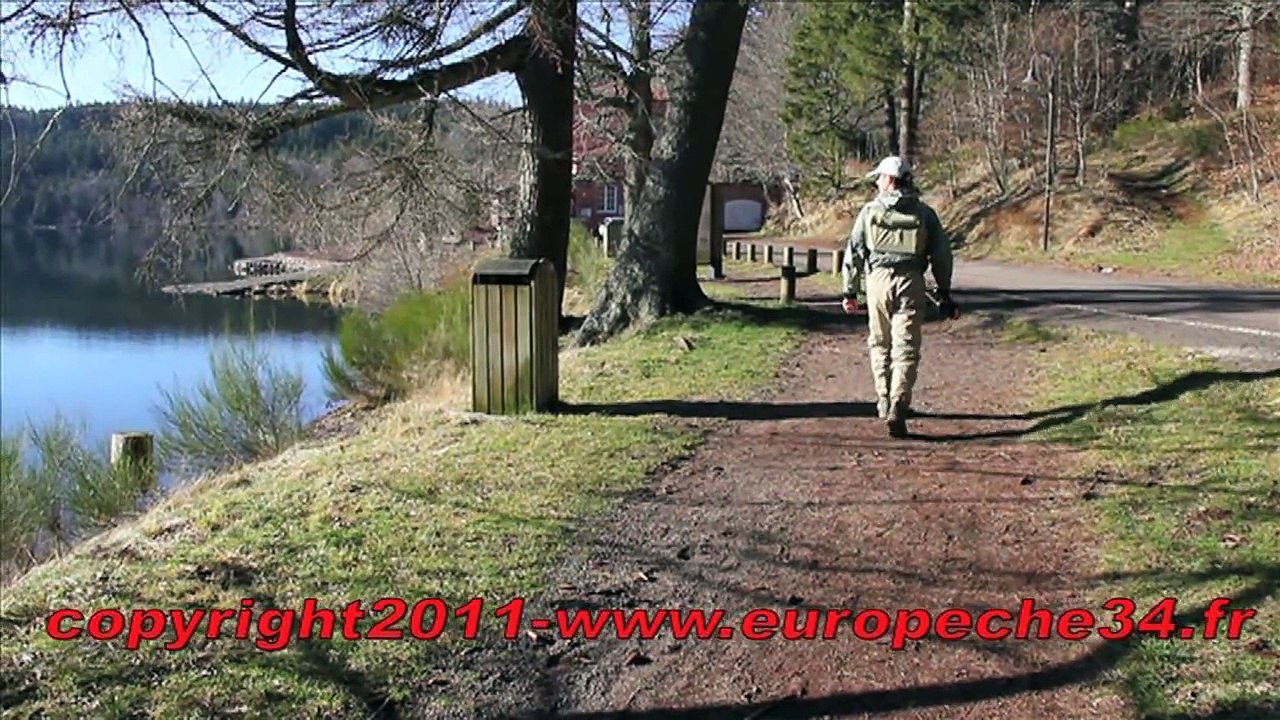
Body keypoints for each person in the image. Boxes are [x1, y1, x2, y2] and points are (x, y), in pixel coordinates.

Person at [840, 155, 959, 437]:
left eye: (879, 178)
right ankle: (899, 403)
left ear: (889, 180)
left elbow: (854, 251)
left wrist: (850, 290)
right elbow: (942, 254)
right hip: (912, 281)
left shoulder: (869, 212)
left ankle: (883, 399)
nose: (877, 183)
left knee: (880, 343)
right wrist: (944, 291)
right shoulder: (924, 213)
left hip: (878, 282)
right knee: (906, 347)